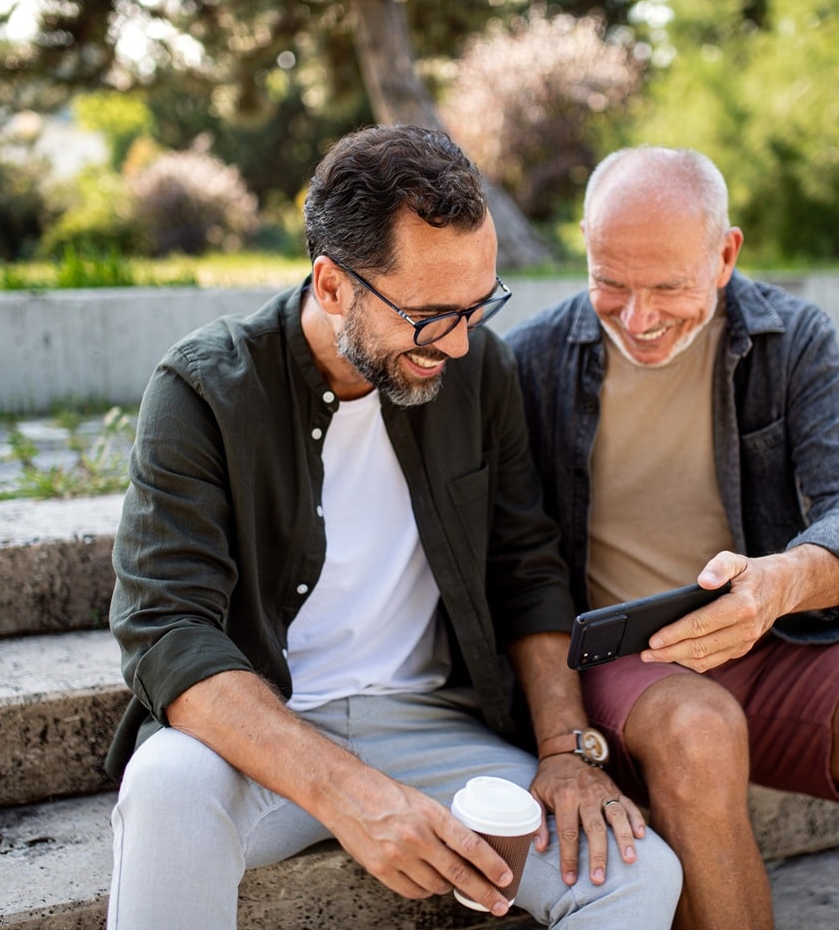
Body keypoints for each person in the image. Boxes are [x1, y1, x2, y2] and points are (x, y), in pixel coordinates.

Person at [103, 125, 680, 929]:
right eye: (429, 314)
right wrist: (348, 790)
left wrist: (563, 748)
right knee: (164, 784)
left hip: (434, 725)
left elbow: (528, 570)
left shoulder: (481, 371)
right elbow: (167, 630)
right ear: (332, 284)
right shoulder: (204, 389)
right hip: (260, 731)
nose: (459, 340)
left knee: (640, 874)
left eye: (478, 305)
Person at [506, 146, 839, 930]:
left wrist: (780, 583)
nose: (637, 319)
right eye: (610, 282)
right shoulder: (532, 360)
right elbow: (516, 565)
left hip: (774, 634)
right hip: (625, 661)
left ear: (725, 254)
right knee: (698, 730)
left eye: (668, 287)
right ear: (584, 242)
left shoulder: (793, 337)